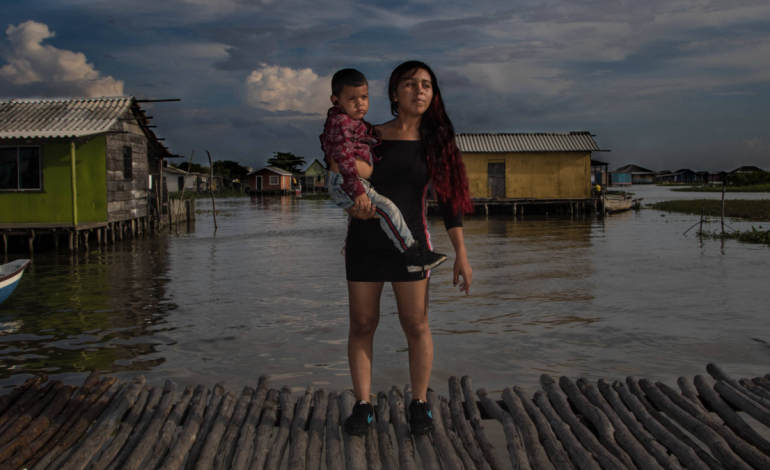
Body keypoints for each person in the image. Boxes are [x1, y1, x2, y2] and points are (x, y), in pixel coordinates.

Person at [341, 61, 474, 437]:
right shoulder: (369, 135)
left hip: (413, 246)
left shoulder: (437, 144)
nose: (419, 90)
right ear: (394, 92)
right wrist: (350, 201)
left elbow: (449, 201)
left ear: (433, 96)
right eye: (411, 84)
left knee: (415, 324)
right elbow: (342, 175)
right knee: (362, 324)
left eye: (427, 85)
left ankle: (419, 403)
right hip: (365, 242)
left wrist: (460, 252)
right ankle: (363, 405)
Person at [321, 68, 447, 272]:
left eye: (364, 97)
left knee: (386, 210)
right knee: (389, 209)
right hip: (349, 182)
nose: (360, 103)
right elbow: (342, 160)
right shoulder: (342, 122)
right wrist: (357, 191)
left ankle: (351, 248)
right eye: (352, 98)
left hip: (350, 183)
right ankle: (412, 254)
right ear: (336, 100)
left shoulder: (355, 123)